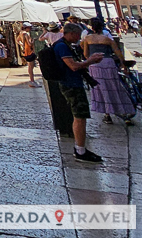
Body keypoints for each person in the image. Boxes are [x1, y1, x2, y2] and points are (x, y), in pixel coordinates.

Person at [53, 22, 105, 163]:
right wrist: (91, 61)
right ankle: (80, 150)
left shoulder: (65, 45)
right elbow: (73, 66)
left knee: (80, 116)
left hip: (73, 83)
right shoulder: (62, 46)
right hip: (71, 84)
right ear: (70, 33)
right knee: (79, 116)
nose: (78, 38)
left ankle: (80, 148)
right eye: (77, 35)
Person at [80, 20, 136, 126]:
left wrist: (91, 60)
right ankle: (124, 112)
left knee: (100, 89)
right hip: (108, 62)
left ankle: (107, 114)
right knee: (114, 87)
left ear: (92, 27)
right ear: (102, 27)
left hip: (95, 65)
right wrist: (123, 64)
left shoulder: (87, 39)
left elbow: (86, 54)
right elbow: (118, 52)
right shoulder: (107, 39)